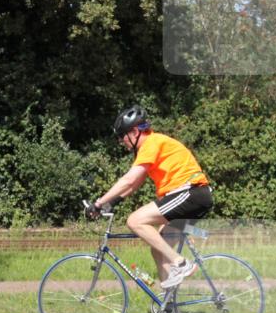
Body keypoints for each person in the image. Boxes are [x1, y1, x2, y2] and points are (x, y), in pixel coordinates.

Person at [87, 105, 213, 295]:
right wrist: (109, 204)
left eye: (123, 136)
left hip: (190, 193)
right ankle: (169, 307)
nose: (122, 142)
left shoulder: (151, 143)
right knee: (158, 250)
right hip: (190, 196)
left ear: (135, 132)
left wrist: (97, 203)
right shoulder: (151, 147)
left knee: (135, 221)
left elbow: (128, 179)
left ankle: (181, 263)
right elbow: (133, 185)